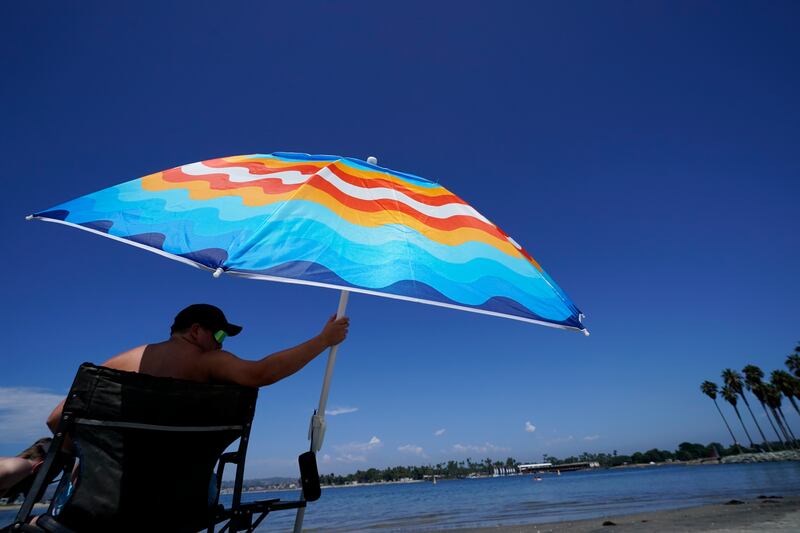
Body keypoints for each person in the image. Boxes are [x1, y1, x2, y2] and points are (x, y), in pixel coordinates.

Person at [46, 303, 350, 434]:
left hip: (103, 491)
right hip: (180, 495)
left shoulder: (117, 364)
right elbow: (262, 374)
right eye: (218, 335)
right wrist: (323, 340)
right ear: (195, 332)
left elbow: (55, 419)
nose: (220, 345)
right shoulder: (205, 360)